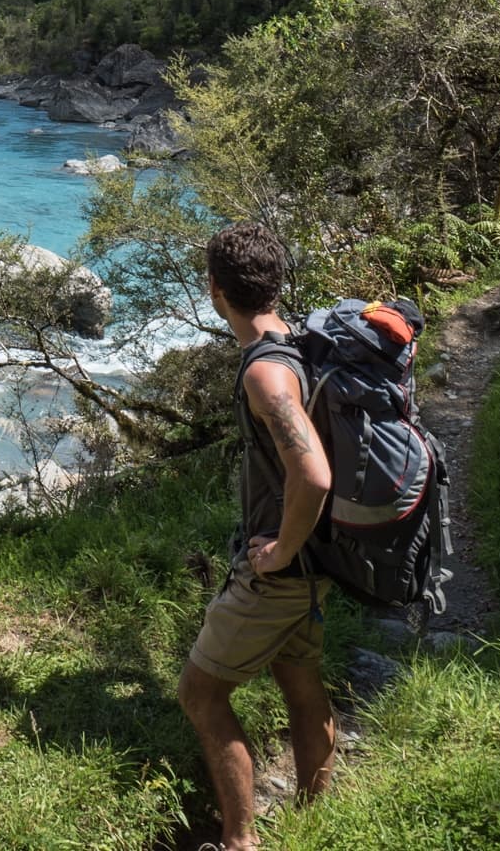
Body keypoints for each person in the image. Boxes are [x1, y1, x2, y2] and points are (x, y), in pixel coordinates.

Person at [179, 221, 336, 850]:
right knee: (299, 680)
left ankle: (240, 843)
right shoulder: (297, 341)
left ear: (215, 288)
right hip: (318, 560)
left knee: (201, 692)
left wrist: (281, 552)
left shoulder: (264, 374)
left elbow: (315, 475)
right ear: (274, 284)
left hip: (283, 568)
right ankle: (315, 821)